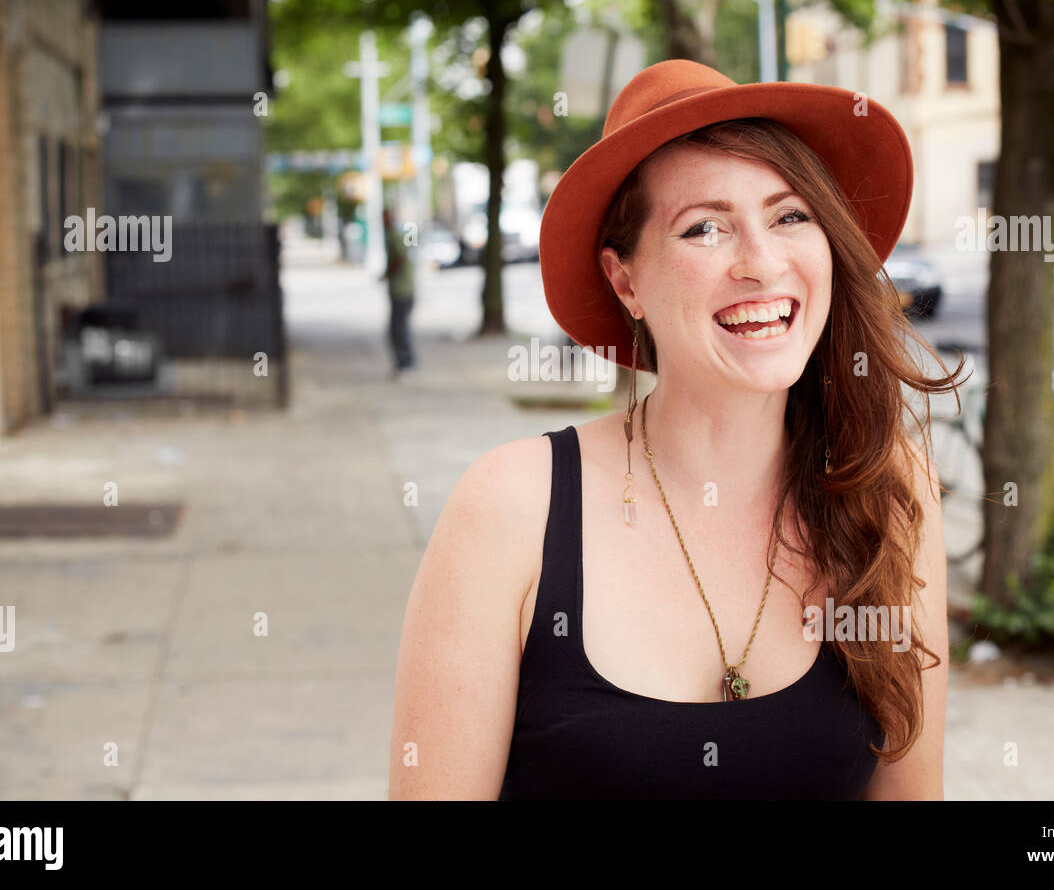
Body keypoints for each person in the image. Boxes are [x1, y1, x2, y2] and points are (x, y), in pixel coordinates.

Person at [389, 59, 963, 799]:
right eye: (705, 228)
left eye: (791, 215)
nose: (762, 263)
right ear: (625, 280)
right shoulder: (512, 507)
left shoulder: (888, 486)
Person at [381, 206, 416, 379]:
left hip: (404, 291)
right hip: (400, 291)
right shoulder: (391, 236)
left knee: (399, 328)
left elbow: (400, 258)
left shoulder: (395, 236)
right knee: (397, 329)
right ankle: (403, 362)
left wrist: (387, 273)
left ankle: (406, 363)